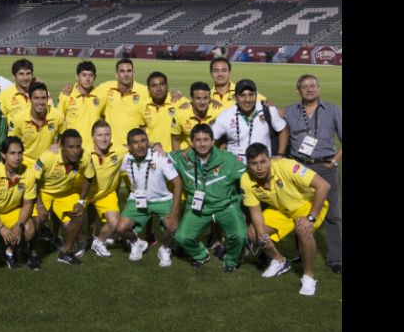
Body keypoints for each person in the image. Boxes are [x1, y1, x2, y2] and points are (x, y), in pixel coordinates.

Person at [241, 143, 330, 295]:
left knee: (303, 229)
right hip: (281, 210)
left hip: (307, 205)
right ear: (248, 165)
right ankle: (280, 261)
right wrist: (262, 234)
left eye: (263, 162)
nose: (259, 168)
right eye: (254, 164)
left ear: (270, 159)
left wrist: (311, 217)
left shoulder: (287, 166)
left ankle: (308, 277)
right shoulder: (246, 179)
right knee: (253, 233)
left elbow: (323, 186)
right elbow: (255, 210)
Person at [284, 74, 342, 274]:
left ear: (318, 88)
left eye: (312, 86)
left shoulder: (333, 110)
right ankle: (302, 252)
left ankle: (336, 258)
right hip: (298, 169)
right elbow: (270, 118)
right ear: (298, 90)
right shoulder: (290, 111)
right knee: (298, 212)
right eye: (304, 87)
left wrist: (335, 160)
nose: (309, 89)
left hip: (325, 167)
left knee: (333, 215)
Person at [169, 124, 248, 272]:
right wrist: (156, 147)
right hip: (198, 209)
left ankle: (231, 260)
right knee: (181, 237)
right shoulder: (183, 158)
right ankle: (201, 255)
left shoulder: (228, 159)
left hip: (225, 207)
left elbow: (249, 174)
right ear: (191, 143)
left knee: (240, 236)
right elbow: (160, 157)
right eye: (198, 140)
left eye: (206, 139)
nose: (202, 143)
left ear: (213, 142)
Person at [116, 129, 182, 266]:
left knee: (172, 226)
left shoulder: (160, 157)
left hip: (161, 200)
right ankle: (137, 243)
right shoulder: (126, 158)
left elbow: (178, 183)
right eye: (135, 142)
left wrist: (175, 212)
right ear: (128, 146)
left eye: (143, 141)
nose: (140, 146)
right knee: (120, 228)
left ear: (147, 142)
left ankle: (165, 248)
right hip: (137, 199)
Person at [32, 129, 96, 266]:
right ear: (61, 146)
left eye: (78, 146)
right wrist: (40, 205)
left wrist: (81, 201)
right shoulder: (47, 157)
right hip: (43, 192)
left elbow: (89, 177)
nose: (75, 151)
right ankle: (33, 253)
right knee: (37, 221)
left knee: (79, 214)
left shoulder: (85, 157)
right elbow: (33, 181)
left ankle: (65, 251)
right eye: (71, 147)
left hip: (65, 192)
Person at [0, 137, 39, 269]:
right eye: (12, 153)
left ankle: (9, 252)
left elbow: (28, 204)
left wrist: (19, 225)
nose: (17, 157)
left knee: (30, 229)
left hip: (13, 210)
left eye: (20, 153)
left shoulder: (29, 174)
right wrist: (1, 228)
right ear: (3, 155)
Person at [212, 79, 287, 163]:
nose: (247, 99)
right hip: (235, 169)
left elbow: (283, 130)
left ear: (256, 95)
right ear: (235, 97)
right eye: (242, 95)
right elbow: (211, 140)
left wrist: (280, 154)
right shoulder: (225, 116)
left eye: (251, 95)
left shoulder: (268, 110)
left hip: (262, 166)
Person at [86, 120, 128, 258]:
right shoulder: (83, 153)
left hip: (105, 194)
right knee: (71, 223)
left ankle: (98, 242)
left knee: (115, 223)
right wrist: (55, 147)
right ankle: (77, 242)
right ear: (92, 137)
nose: (104, 139)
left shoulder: (120, 150)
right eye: (99, 135)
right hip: (83, 194)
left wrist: (156, 146)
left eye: (107, 135)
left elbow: (139, 144)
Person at [91, 58, 149, 146]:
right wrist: (70, 89)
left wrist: (177, 94)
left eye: (129, 71)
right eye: (122, 71)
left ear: (133, 73)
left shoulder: (144, 91)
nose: (126, 74)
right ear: (116, 74)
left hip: (134, 148)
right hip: (112, 148)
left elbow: (162, 95)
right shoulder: (106, 88)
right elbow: (86, 91)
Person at [7, 82, 64, 163]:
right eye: (36, 98)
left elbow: (65, 134)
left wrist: (58, 145)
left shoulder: (57, 115)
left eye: (43, 98)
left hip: (47, 162)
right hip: (25, 163)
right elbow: (10, 142)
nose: (40, 102)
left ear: (47, 99)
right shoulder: (18, 118)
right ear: (30, 100)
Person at [58, 61, 106, 152]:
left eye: (90, 75)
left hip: (94, 150)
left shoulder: (101, 95)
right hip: (71, 149)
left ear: (95, 77)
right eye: (84, 75)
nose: (87, 79)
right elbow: (59, 122)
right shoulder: (66, 95)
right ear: (77, 77)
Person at [139, 71, 189, 151]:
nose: (158, 89)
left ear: (167, 86)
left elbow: (200, 103)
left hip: (175, 155)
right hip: (154, 154)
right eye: (154, 86)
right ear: (149, 89)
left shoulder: (179, 101)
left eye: (162, 84)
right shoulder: (143, 106)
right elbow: (142, 131)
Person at [171, 81, 222, 151]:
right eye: (198, 98)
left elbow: (225, 139)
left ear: (210, 99)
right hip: (188, 156)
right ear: (191, 99)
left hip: (212, 157)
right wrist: (178, 159)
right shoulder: (181, 113)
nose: (202, 102)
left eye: (205, 98)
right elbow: (175, 139)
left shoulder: (219, 113)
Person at [0, 58, 51, 124]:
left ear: (32, 75)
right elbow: (0, 123)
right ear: (14, 77)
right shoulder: (4, 96)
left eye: (28, 73)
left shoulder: (42, 93)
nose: (25, 78)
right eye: (21, 74)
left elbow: (51, 114)